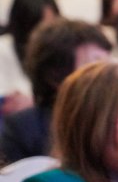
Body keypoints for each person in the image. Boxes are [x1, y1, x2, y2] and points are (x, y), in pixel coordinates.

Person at [1, 20, 111, 163]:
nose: (109, 76)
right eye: (94, 67)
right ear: (54, 76)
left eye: (108, 64)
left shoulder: (117, 118)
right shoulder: (22, 129)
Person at [0, 0, 60, 116]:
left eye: (50, 25)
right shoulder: (3, 48)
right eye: (38, 27)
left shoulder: (64, 47)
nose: (46, 34)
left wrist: (36, 103)